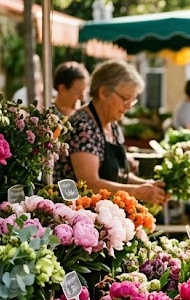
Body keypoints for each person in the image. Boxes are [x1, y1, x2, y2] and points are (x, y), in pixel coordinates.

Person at [52, 60, 168, 205]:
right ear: (104, 92)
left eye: (132, 101)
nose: (128, 107)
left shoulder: (112, 125)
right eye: (126, 99)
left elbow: (117, 174)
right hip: (77, 216)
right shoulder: (82, 126)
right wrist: (137, 191)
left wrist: (148, 185)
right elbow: (90, 183)